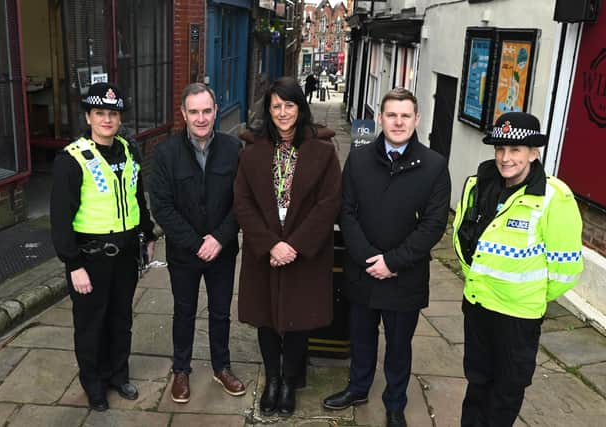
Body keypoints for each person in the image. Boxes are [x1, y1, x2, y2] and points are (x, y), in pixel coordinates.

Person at [323, 87, 451, 427]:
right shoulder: (359, 158)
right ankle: (358, 387)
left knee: (399, 347)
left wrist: (392, 262)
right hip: (362, 271)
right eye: (391, 115)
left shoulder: (434, 166)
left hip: (404, 277)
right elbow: (346, 212)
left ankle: (395, 403)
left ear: (416, 119)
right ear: (380, 118)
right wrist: (369, 259)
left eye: (405, 115)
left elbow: (434, 225)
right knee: (361, 337)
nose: (397, 122)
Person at [453, 112, 583, 427]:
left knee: (506, 393)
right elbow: (462, 236)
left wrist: (530, 294)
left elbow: (566, 271)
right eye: (500, 149)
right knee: (477, 383)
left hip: (517, 317)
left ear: (533, 153)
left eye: (515, 150)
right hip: (477, 305)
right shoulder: (478, 184)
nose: (505, 157)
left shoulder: (555, 197)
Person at [234, 76, 341, 418]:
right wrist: (270, 245)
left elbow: (329, 203)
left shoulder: (324, 151)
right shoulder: (251, 151)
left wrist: (293, 246)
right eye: (276, 106)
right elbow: (243, 201)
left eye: (289, 105)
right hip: (263, 251)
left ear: (301, 107)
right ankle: (273, 379)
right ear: (268, 110)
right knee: (266, 319)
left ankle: (290, 381)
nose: (282, 112)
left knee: (297, 320)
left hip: (304, 253)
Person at [50, 82, 156, 411]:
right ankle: (93, 383)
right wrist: (73, 264)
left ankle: (117, 374)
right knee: (91, 324)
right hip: (90, 257)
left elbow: (137, 197)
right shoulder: (72, 159)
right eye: (100, 113)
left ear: (119, 118)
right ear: (88, 116)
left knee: (121, 318)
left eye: (113, 113)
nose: (107, 119)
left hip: (125, 253)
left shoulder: (128, 150)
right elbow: (60, 217)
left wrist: (148, 235)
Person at [149, 83, 244, 404]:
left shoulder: (235, 150)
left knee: (220, 312)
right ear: (183, 114)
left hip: (223, 250)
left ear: (216, 112)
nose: (201, 118)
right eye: (194, 112)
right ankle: (181, 370)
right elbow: (161, 206)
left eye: (207, 111)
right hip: (183, 253)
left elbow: (243, 202)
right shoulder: (165, 154)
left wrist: (219, 237)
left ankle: (222, 367)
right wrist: (195, 243)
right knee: (183, 311)